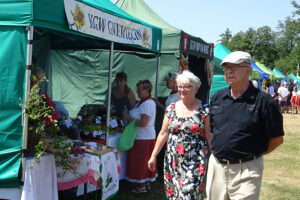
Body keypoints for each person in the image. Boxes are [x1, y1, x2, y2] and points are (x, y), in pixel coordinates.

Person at [206, 51, 284, 200]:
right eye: (227, 68)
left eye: (234, 67)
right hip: (217, 167)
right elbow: (213, 131)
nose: (229, 71)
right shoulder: (218, 97)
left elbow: (277, 139)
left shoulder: (264, 101)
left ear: (248, 70)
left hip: (247, 169)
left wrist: (250, 154)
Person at [148, 70, 210, 200]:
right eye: (180, 86)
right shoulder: (171, 109)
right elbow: (163, 133)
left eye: (187, 86)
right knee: (175, 195)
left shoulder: (204, 109)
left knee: (188, 194)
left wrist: (215, 157)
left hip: (196, 160)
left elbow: (209, 135)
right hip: (173, 160)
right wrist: (153, 155)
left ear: (196, 89)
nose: (182, 89)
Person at [123, 80, 157, 193]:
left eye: (139, 89)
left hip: (144, 138)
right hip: (142, 137)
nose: (137, 91)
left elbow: (143, 123)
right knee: (143, 162)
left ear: (147, 90)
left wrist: (128, 118)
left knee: (141, 163)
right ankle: (145, 183)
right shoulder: (142, 102)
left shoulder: (148, 104)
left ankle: (141, 186)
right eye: (137, 89)